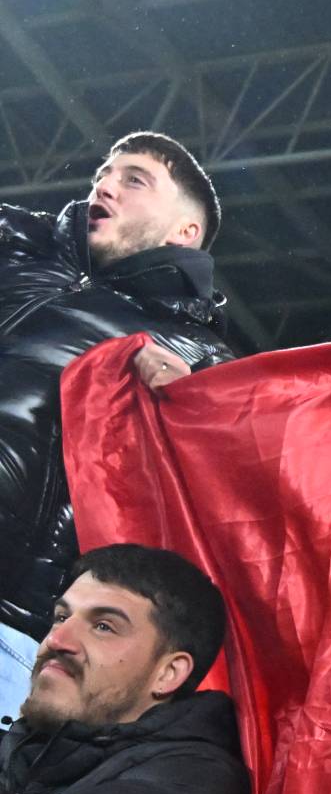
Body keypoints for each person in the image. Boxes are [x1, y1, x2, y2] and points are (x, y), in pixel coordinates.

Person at [1, 132, 234, 719]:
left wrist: (192, 415)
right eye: (105, 172)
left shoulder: (196, 355)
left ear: (185, 233)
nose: (104, 184)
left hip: (11, 620)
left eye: (135, 180)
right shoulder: (17, 247)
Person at [0, 544, 249, 794]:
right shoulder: (31, 742)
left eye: (104, 626)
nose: (57, 639)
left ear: (167, 673)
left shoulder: (196, 783)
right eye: (61, 617)